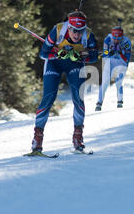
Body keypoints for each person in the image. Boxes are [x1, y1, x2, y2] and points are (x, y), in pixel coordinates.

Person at [31, 10, 98, 152]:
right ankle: (37, 139)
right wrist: (57, 53)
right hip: (54, 63)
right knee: (48, 97)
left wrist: (80, 56)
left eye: (80, 31)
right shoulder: (58, 30)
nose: (77, 35)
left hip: (74, 64)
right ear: (69, 27)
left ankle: (78, 137)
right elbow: (43, 53)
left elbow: (93, 55)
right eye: (74, 31)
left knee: (78, 97)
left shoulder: (88, 34)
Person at [95, 25, 132, 111]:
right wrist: (109, 53)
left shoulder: (127, 42)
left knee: (118, 82)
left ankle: (120, 102)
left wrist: (121, 53)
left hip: (121, 62)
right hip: (109, 60)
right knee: (105, 81)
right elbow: (105, 52)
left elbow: (127, 58)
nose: (116, 41)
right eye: (114, 39)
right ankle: (99, 103)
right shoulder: (108, 39)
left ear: (122, 37)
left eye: (118, 39)